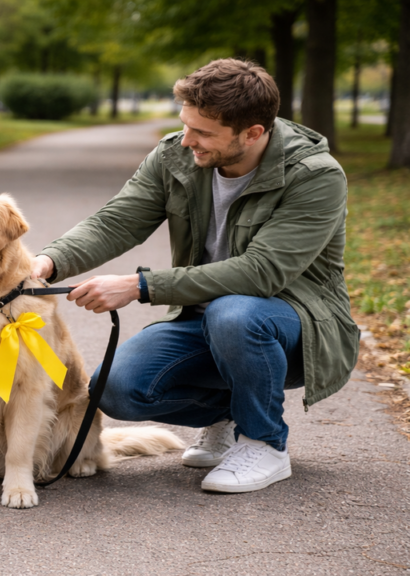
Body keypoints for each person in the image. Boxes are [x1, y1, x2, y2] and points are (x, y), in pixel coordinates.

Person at [31, 59, 359, 494]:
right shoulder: (175, 156)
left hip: (295, 326)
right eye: (186, 125)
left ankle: (264, 443)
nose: (187, 140)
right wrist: (49, 261)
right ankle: (229, 413)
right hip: (204, 322)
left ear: (253, 133)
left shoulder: (315, 175)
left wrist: (140, 286)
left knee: (234, 314)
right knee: (114, 390)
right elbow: (116, 222)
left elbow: (262, 272)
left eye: (203, 132)